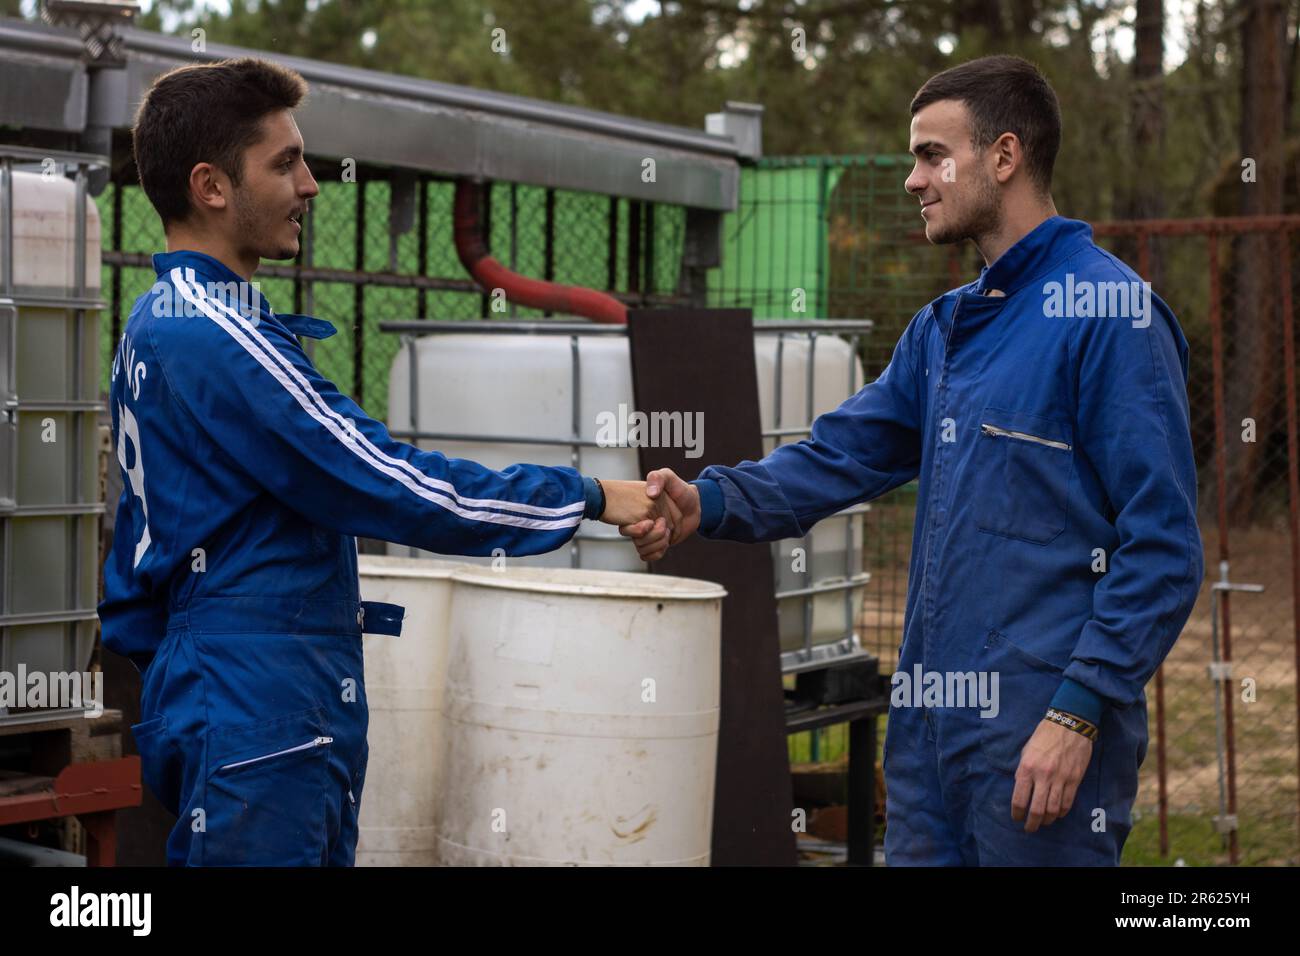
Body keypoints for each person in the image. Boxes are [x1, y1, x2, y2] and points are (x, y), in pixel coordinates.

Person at [624, 54, 1204, 866]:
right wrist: (708, 501)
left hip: (1041, 737)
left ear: (1004, 157)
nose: (913, 179)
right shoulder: (943, 330)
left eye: (934, 155)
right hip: (930, 737)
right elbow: (839, 456)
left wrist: (1079, 711)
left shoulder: (1110, 317)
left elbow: (1164, 548)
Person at [100, 57, 673, 866]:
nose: (311, 185)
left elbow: (133, 568)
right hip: (258, 701)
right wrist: (586, 497)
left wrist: (190, 674)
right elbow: (382, 478)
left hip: (243, 688)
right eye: (285, 161)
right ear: (212, 185)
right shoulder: (211, 333)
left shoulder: (161, 321)